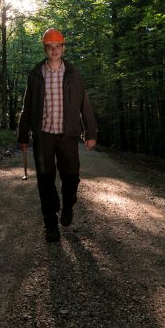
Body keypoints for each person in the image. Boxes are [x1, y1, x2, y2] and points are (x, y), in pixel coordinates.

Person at [17, 28, 97, 242]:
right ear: (45, 49)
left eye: (58, 46)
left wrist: (91, 132)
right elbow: (27, 107)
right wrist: (23, 136)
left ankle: (69, 203)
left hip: (68, 134)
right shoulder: (36, 74)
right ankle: (51, 224)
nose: (54, 50)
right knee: (45, 179)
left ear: (63, 48)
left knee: (71, 176)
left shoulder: (73, 73)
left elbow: (84, 103)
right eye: (50, 46)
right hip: (43, 135)